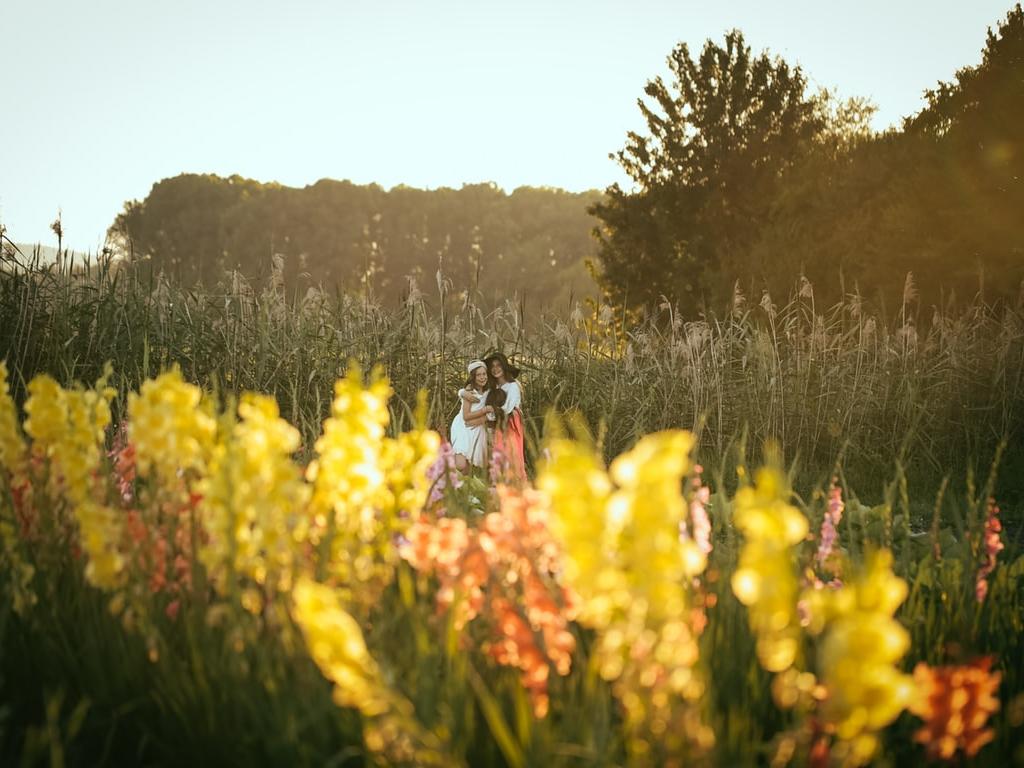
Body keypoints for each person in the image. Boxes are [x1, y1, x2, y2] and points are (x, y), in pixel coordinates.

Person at [483, 352, 526, 481]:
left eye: (498, 365)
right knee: (497, 454)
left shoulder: (513, 386)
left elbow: (507, 408)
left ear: (504, 367)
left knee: (511, 454)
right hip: (497, 423)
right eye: (492, 366)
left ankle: (515, 483)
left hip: (510, 423)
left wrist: (489, 412)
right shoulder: (493, 387)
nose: (495, 369)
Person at [449, 360, 494, 472]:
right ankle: (444, 464)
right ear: (473, 377)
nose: (482, 377)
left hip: (478, 427)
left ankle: (464, 480)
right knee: (460, 464)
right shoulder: (470, 391)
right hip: (463, 426)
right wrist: (484, 410)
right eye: (478, 375)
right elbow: (466, 416)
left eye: (484, 374)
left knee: (469, 466)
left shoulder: (489, 390)